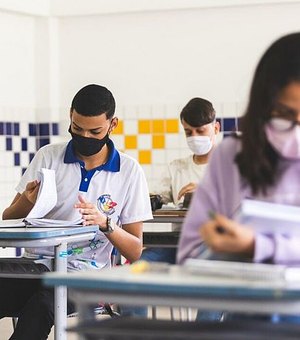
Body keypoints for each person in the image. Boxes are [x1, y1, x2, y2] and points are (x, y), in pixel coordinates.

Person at [0, 84, 153, 339]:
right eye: (77, 128)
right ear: (70, 115)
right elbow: (9, 218)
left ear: (112, 125)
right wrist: (27, 201)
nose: (85, 137)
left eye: (95, 131)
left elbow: (136, 251)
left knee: (44, 303)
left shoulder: (129, 171)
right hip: (34, 268)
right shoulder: (48, 156)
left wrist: (106, 224)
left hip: (86, 277)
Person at [177, 32, 300, 323]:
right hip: (249, 319)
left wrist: (258, 246)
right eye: (285, 113)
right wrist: (217, 246)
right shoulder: (232, 156)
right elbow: (189, 254)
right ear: (263, 106)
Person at [120, 97, 220, 318]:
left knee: (213, 289)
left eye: (200, 131)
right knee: (133, 275)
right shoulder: (177, 168)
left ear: (216, 128)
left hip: (216, 248)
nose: (194, 137)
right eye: (188, 132)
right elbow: (155, 198)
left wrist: (205, 192)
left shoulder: (230, 165)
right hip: (177, 246)